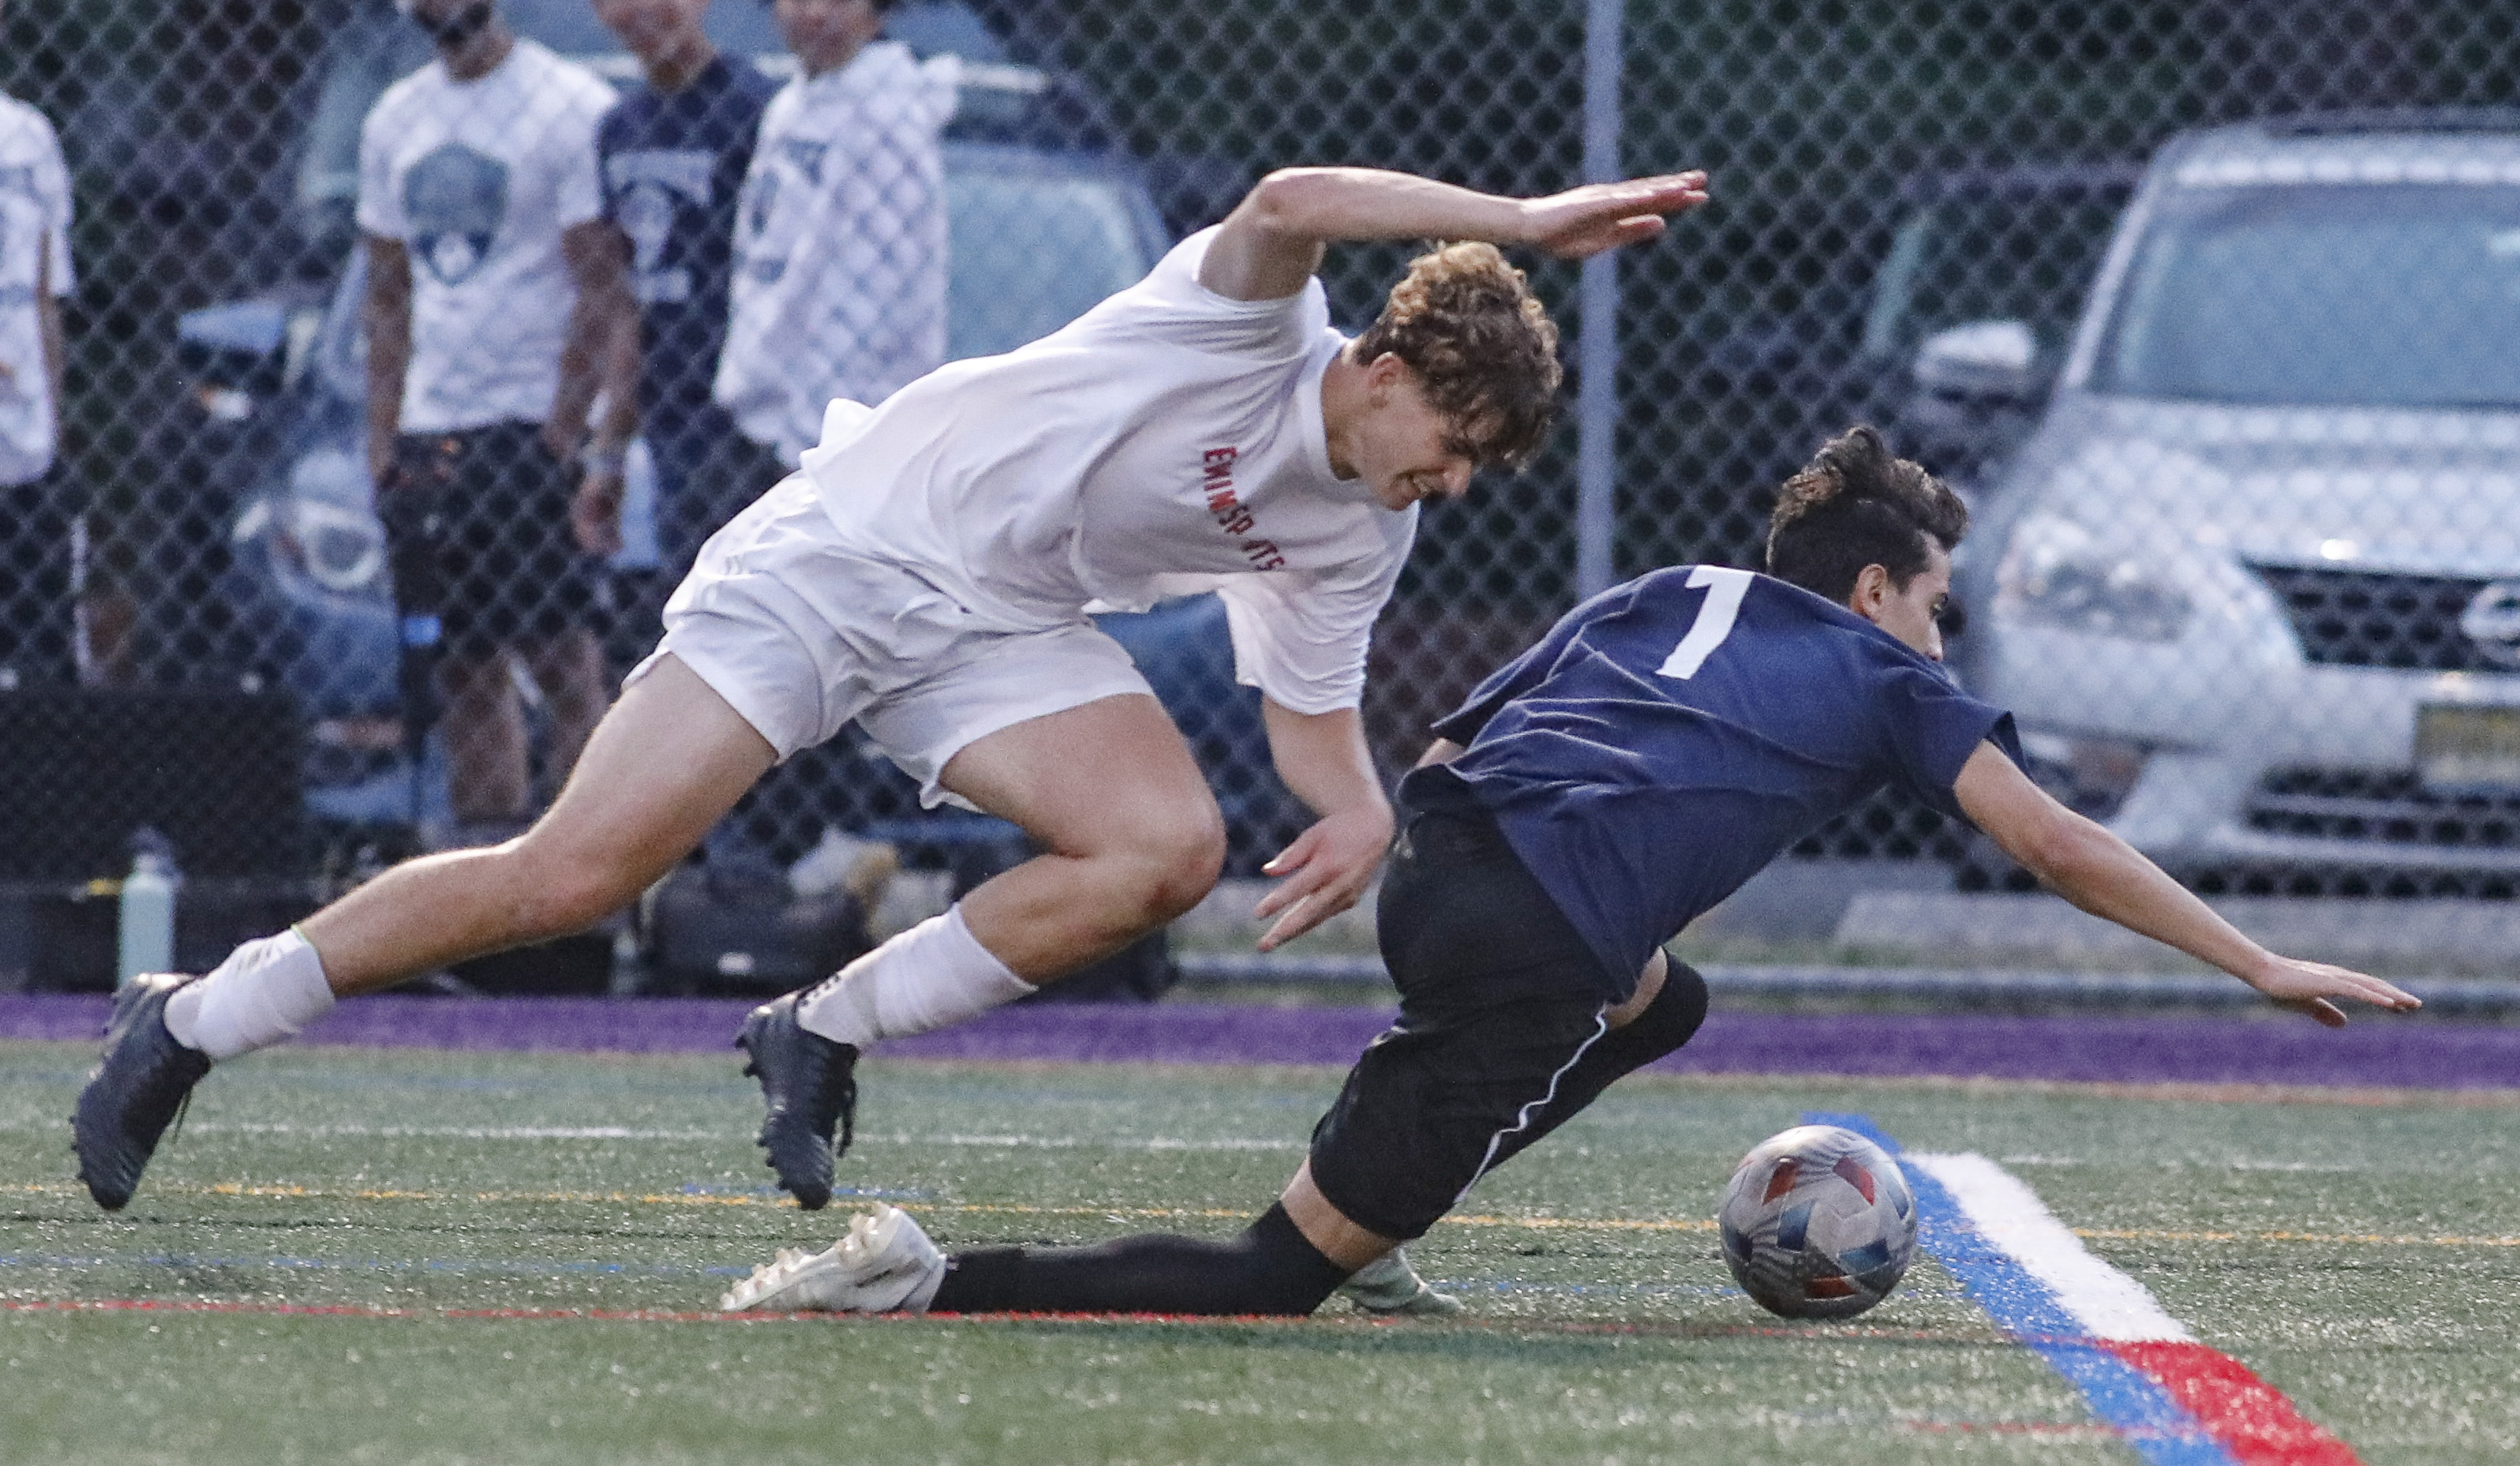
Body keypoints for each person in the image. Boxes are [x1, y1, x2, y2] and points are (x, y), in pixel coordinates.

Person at [72, 162, 1713, 1230]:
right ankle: (198, 1015)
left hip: (997, 631)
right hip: (844, 550)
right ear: (1379, 368)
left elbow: (1306, 712)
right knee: (574, 876)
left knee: (1162, 850)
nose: (1455, 482)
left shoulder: (1361, 520)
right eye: (1453, 442)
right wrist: (1522, 223)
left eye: (1479, 469)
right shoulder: (1251, 323)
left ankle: (817, 1027)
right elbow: (1289, 195)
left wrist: (1353, 805)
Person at [712, 425, 2424, 1319]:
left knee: (1663, 998)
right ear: (1886, 587)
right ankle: (929, 1278)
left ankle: (1397, 1196)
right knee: (1269, 1276)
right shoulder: (1889, 674)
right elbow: (2053, 837)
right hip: (1525, 938)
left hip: (1447, 866)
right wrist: (2256, 962)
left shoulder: (1667, 586)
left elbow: (1455, 745)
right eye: (1938, 600)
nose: (1941, 632)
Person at [356, 0, 636, 838]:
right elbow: (388, 290)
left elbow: (600, 283)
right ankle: (489, 871)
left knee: (563, 661)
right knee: (464, 667)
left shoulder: (568, 104)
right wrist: (382, 439)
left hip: (525, 426)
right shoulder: (394, 117)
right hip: (431, 429)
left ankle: (591, 869)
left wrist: (563, 431)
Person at [691, 0, 956, 562]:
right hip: (759, 416)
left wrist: (823, 445)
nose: (814, 14)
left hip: (830, 437)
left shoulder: (887, 116)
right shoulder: (792, 104)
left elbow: (873, 298)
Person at [580, 0, 779, 576]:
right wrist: (609, 454)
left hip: (747, 414)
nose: (642, 10)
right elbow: (625, 299)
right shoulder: (619, 129)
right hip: (669, 414)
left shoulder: (757, 112)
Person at [0, 65, 73, 685]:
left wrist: (53, 412)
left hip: (22, 428)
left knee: (36, 652)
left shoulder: (29, 137)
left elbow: (48, 293)